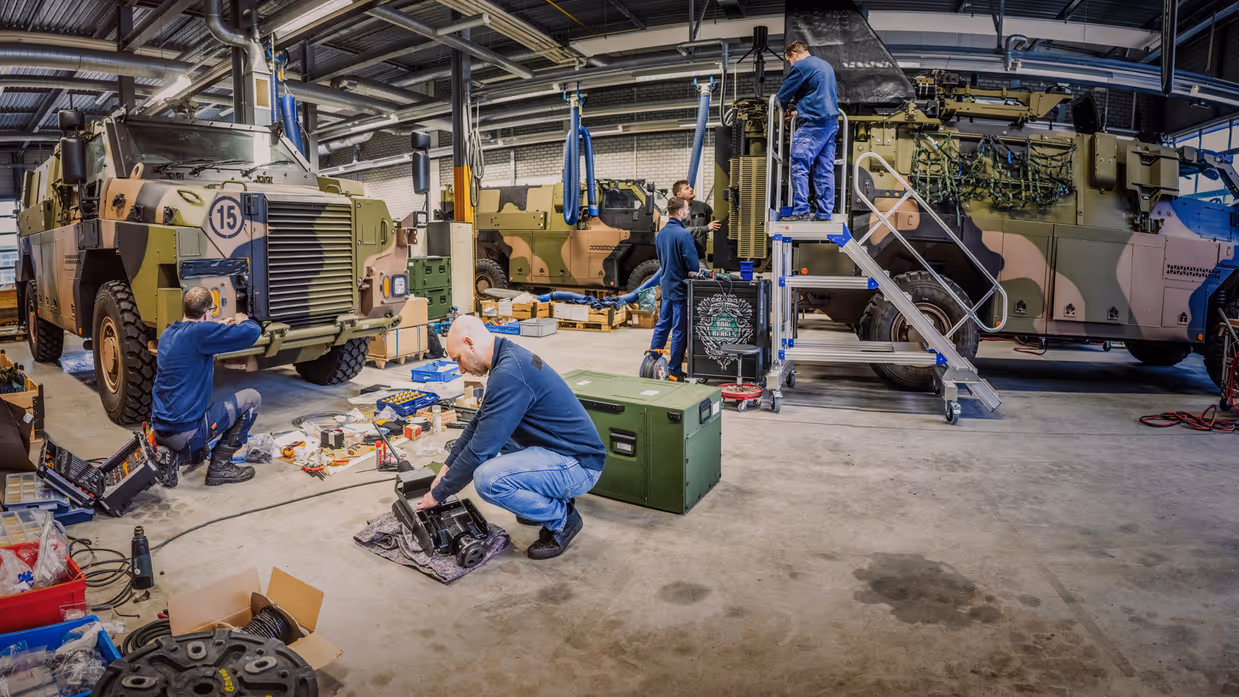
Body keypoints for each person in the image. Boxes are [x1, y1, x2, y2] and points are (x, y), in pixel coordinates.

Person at [417, 315, 606, 560]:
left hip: (579, 465)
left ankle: (561, 519)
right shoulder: (507, 357)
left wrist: (438, 494)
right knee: (499, 434)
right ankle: (541, 500)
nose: (460, 369)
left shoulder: (509, 373)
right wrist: (446, 469)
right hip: (560, 449)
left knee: (488, 479)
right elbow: (478, 424)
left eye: (458, 360)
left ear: (470, 343)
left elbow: (480, 450)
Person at [151, 287, 262, 487]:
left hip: (160, 431)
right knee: (252, 398)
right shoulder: (201, 334)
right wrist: (241, 320)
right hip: (185, 434)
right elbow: (252, 332)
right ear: (207, 313)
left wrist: (218, 326)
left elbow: (196, 332)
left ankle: (176, 455)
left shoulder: (168, 333)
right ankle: (221, 467)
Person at [776, 41, 840, 221]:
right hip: (830, 123)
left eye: (789, 61)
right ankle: (824, 212)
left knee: (799, 164)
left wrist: (778, 108)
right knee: (824, 169)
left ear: (793, 54)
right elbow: (817, 94)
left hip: (813, 124)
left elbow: (783, 95)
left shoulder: (801, 65)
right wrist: (798, 110)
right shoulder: (824, 65)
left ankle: (801, 210)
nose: (791, 65)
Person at [647, 196, 699, 381]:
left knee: (662, 325)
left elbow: (662, 261)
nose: (688, 212)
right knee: (679, 330)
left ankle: (652, 362)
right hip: (681, 288)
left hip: (667, 285)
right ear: (680, 212)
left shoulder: (660, 234)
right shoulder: (684, 235)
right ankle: (675, 371)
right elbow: (693, 266)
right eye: (686, 209)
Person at [671, 179, 720, 257]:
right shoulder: (674, 212)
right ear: (679, 194)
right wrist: (705, 228)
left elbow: (712, 224)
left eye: (690, 187)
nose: (691, 189)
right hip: (682, 258)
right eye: (687, 188)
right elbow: (682, 232)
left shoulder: (703, 207)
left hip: (700, 256)